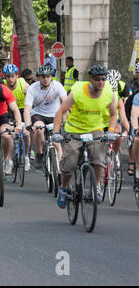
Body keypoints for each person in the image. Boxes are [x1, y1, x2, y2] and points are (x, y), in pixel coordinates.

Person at [52, 65, 117, 208]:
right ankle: (63, 188)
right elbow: (60, 112)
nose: (101, 82)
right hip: (74, 130)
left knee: (99, 160)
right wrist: (56, 133)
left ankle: (96, 187)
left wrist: (110, 130)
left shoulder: (108, 92)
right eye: (97, 79)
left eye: (103, 79)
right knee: (70, 161)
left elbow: (113, 114)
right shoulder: (78, 91)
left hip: (95, 130)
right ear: (90, 80)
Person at [24, 65, 67, 170]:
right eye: (43, 77)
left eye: (48, 76)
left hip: (55, 115)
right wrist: (28, 124)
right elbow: (27, 109)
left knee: (56, 142)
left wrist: (66, 120)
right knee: (39, 130)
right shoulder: (32, 88)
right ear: (39, 77)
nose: (45, 79)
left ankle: (61, 168)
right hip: (38, 115)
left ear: (51, 77)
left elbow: (66, 103)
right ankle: (39, 154)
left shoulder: (57, 86)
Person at [3, 63, 31, 171]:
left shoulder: (22, 83)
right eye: (8, 76)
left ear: (17, 76)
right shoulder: (4, 85)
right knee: (8, 134)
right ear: (5, 77)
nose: (10, 79)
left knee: (26, 133)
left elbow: (31, 94)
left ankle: (27, 156)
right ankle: (8, 160)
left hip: (22, 110)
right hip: (9, 110)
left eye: (12, 76)